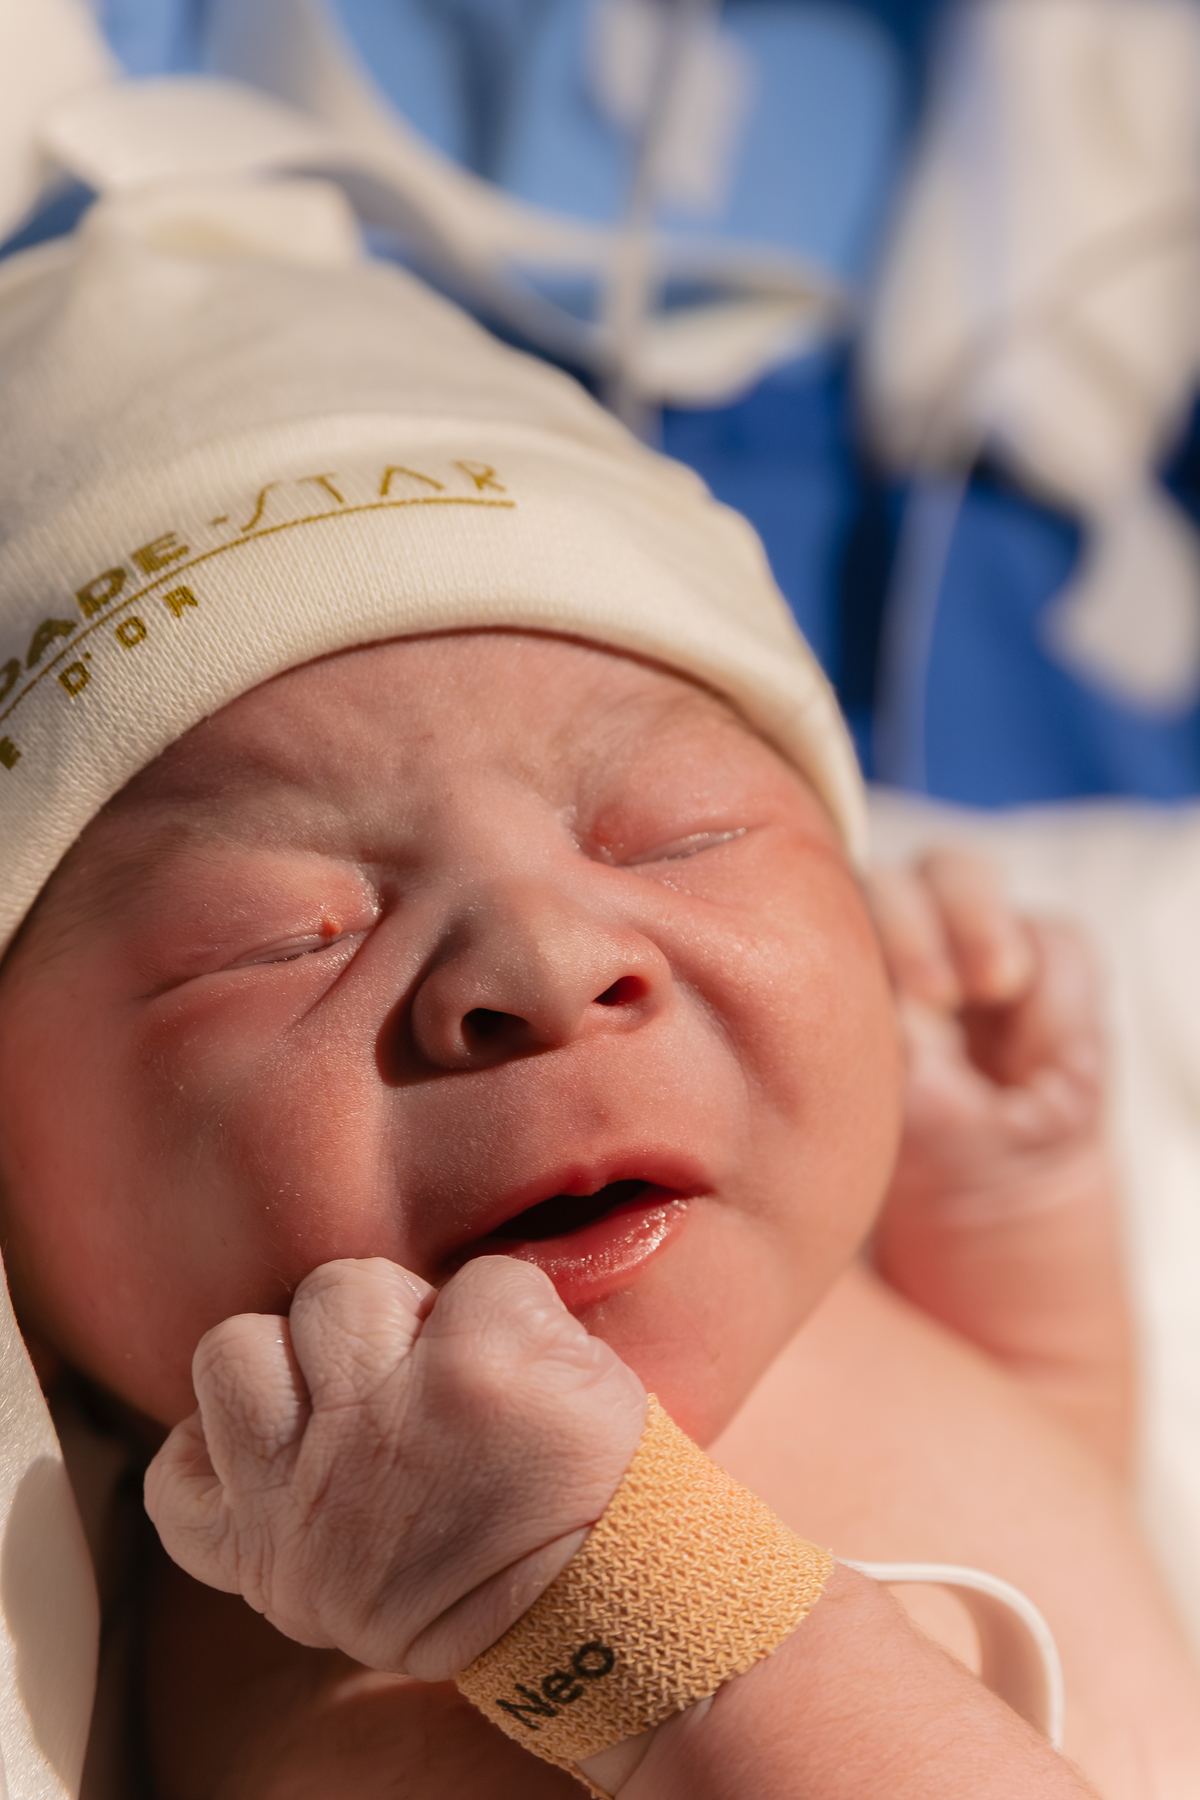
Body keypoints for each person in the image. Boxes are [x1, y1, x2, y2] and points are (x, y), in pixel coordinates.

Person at [0, 174, 1197, 1800]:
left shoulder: (839, 1304)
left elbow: (1081, 1522)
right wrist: (591, 1615)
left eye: (674, 837)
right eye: (282, 935)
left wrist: (1012, 1252)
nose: (549, 966)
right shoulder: (331, 1666)